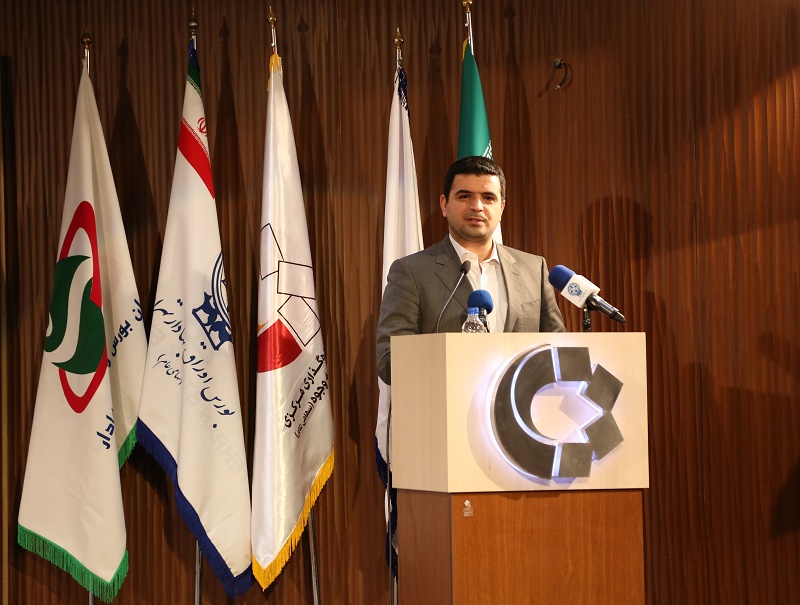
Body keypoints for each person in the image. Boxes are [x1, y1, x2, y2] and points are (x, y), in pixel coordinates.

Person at [376, 156, 565, 385]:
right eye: (464, 196)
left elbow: (559, 349)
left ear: (501, 207)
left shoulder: (534, 269)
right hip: (444, 404)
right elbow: (389, 361)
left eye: (488, 198)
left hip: (518, 405)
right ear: (444, 205)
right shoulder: (411, 272)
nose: (477, 206)